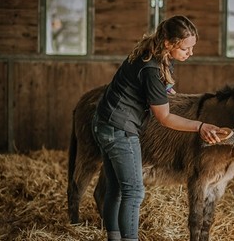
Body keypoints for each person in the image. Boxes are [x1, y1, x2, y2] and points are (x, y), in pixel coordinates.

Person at [92, 15, 223, 241]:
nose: (190, 53)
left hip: (103, 122)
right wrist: (200, 126)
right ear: (168, 43)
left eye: (192, 47)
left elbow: (163, 89)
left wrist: (170, 92)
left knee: (115, 188)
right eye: (186, 48)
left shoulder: (153, 53)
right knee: (133, 192)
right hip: (120, 129)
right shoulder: (151, 69)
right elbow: (164, 118)